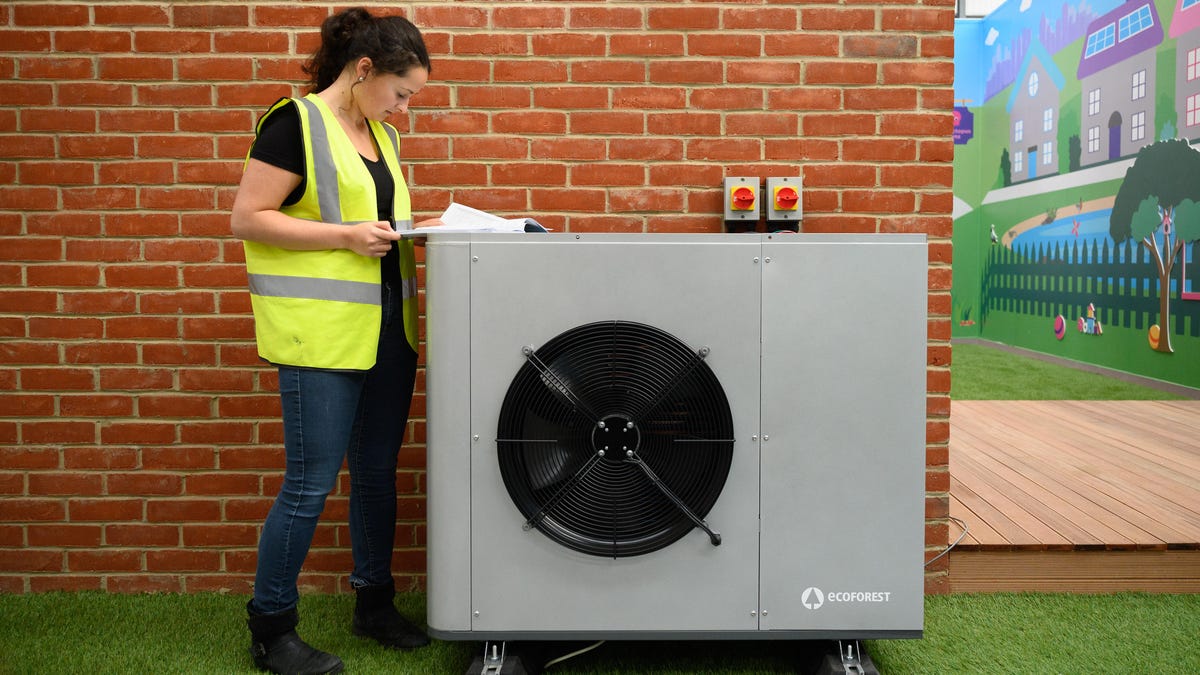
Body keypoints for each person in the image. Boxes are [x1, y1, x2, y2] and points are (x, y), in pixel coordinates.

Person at [230, 7, 439, 674]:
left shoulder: (383, 136)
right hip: (321, 338)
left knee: (376, 475)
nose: (403, 109)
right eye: (401, 93)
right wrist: (345, 237)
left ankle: (374, 604)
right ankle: (271, 629)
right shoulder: (295, 122)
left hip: (388, 333)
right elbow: (248, 217)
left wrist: (436, 224)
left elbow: (379, 223)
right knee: (309, 484)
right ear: (364, 69)